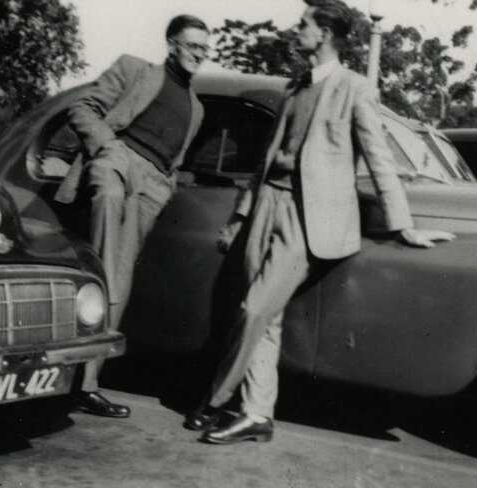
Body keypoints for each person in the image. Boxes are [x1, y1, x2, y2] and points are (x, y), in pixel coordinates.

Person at [186, 0, 454, 443]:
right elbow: (264, 161)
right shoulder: (294, 88)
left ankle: (215, 400)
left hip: (308, 219)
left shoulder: (354, 88)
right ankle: (256, 413)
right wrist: (240, 216)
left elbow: (379, 158)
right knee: (263, 315)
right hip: (266, 206)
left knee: (254, 307)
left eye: (304, 24)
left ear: (325, 34)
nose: (297, 30)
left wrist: (402, 224)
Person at [55, 15, 209, 418]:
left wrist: (165, 184)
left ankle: (84, 385)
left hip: (153, 186)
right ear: (172, 43)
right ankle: (68, 380)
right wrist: (108, 148)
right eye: (193, 46)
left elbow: (175, 160)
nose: (200, 54)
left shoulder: (197, 109)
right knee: (106, 262)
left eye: (205, 49)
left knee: (118, 276)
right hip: (117, 160)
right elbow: (82, 107)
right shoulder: (133, 68)